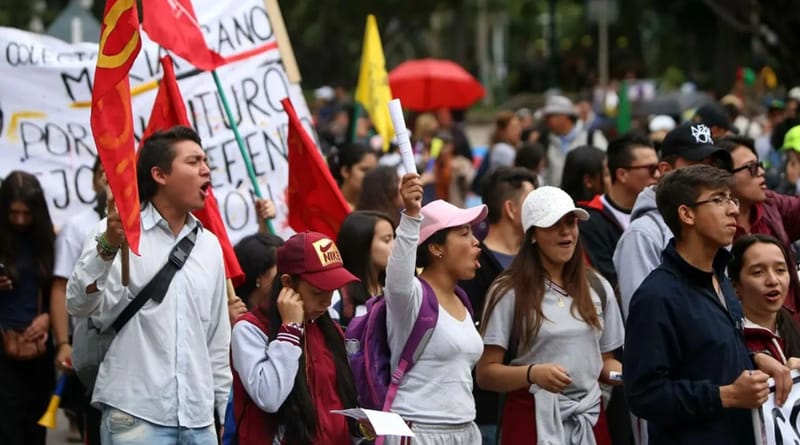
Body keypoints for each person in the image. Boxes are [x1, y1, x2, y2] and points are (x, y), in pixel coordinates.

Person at [67, 126, 232, 444]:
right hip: (136, 418)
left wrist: (220, 410)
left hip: (200, 422)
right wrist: (108, 246)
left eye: (205, 161)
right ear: (160, 174)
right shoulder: (115, 233)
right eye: (193, 161)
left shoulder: (210, 246)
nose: (205, 169)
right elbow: (78, 304)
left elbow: (216, 339)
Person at [624, 165, 792, 445]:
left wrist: (757, 360)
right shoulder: (657, 297)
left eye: (731, 199)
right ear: (686, 214)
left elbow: (707, 358)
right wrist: (725, 396)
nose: (732, 210)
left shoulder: (721, 279)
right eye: (718, 200)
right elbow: (643, 395)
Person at [477, 186, 624, 445]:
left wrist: (628, 376)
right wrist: (532, 373)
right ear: (532, 235)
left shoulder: (597, 286)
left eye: (571, 222)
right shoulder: (508, 290)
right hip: (530, 421)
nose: (566, 231)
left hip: (589, 420)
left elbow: (605, 364)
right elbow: (486, 374)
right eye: (554, 224)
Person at [382, 174, 487, 444]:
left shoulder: (463, 300)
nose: (476, 242)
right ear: (436, 247)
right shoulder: (412, 296)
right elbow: (397, 279)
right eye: (464, 233)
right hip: (419, 431)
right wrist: (411, 215)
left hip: (465, 429)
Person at [230, 231, 361, 445]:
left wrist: (360, 429)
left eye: (331, 291)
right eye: (318, 293)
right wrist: (290, 329)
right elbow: (269, 398)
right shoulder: (250, 329)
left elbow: (340, 405)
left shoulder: (331, 330)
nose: (327, 302)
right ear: (287, 282)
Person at [614, 123, 733, 319]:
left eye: (712, 164)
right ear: (665, 170)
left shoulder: (715, 221)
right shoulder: (643, 234)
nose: (708, 173)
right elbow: (646, 318)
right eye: (697, 165)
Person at [458, 166, 536, 444]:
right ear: (511, 209)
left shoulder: (543, 262)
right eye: (533, 202)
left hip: (538, 409)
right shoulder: (471, 266)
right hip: (487, 410)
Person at [50, 158, 106, 445]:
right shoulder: (78, 227)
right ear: (94, 180)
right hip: (92, 352)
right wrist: (63, 342)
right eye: (102, 172)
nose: (109, 178)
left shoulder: (149, 225)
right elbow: (60, 287)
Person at [716, 135, 800, 324]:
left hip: (790, 332)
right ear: (725, 177)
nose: (762, 172)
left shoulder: (772, 205)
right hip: (744, 337)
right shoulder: (713, 226)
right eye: (751, 168)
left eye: (760, 165)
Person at [0, 171, 56, 445]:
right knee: (8, 425)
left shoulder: (48, 241)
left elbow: (58, 290)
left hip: (38, 345)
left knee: (35, 424)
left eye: (26, 213)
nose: (20, 220)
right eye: (13, 213)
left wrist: (47, 317)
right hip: (3, 343)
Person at [580, 134, 660, 288]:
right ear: (622, 174)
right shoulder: (590, 220)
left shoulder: (662, 212)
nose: (657, 175)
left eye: (658, 167)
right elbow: (608, 281)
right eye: (650, 169)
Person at [729, 234, 800, 366]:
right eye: (758, 272)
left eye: (780, 270)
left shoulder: (796, 322)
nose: (773, 280)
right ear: (735, 286)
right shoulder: (729, 340)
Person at [334, 210, 396, 327]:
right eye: (387, 240)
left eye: (394, 237)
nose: (396, 245)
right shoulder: (337, 297)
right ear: (362, 245)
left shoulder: (395, 290)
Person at [541, 95, 608, 187]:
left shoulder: (592, 137)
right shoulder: (546, 142)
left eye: (550, 117)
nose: (547, 121)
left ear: (564, 116)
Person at [327, 142, 378, 210]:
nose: (371, 176)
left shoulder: (377, 209)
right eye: (364, 170)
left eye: (374, 171)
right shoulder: (328, 205)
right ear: (345, 171)